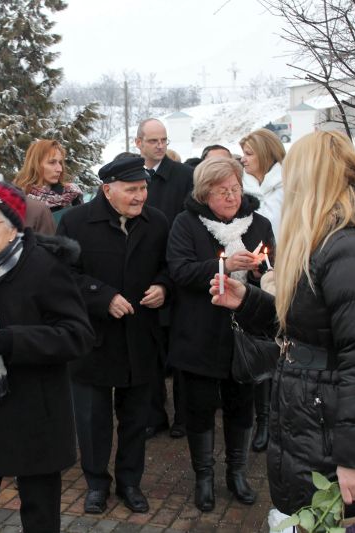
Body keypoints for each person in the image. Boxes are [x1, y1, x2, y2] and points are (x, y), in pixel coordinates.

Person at [210, 131, 355, 518]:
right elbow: (310, 329)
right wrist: (248, 301)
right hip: (319, 423)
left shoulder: (353, 249)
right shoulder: (329, 240)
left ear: (311, 179)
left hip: (333, 431)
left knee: (351, 523)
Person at [0, 182, 94, 533]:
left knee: (39, 516)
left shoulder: (43, 267)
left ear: (13, 228)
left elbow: (78, 335)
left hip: (32, 411)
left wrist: (17, 340)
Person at [57, 157, 171, 514]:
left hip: (140, 337)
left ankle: (130, 482)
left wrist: (163, 287)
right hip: (93, 339)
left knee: (136, 419)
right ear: (107, 189)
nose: (140, 196)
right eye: (131, 189)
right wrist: (102, 296)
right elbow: (62, 275)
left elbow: (170, 266)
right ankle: (96, 484)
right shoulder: (75, 222)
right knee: (93, 420)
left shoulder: (157, 222)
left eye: (143, 188)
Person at [167, 157, 274, 512]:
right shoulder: (186, 223)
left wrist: (259, 273)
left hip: (245, 332)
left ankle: (237, 473)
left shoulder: (259, 224)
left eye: (235, 189)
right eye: (221, 191)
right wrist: (223, 266)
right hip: (199, 330)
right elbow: (180, 271)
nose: (231, 197)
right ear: (204, 193)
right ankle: (203, 477)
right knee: (199, 408)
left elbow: (272, 272)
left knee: (241, 406)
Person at [135, 118, 194, 439]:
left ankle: (184, 417)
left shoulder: (184, 176)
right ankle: (154, 414)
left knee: (180, 348)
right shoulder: (132, 175)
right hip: (145, 273)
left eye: (164, 140)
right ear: (139, 143)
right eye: (153, 141)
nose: (160, 146)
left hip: (179, 271)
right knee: (150, 349)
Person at [239, 127, 286, 453]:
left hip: (285, 274)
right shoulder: (240, 187)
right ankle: (263, 419)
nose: (243, 159)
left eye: (249, 153)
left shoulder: (290, 185)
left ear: (266, 154)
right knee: (259, 346)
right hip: (251, 274)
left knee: (284, 344)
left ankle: (281, 415)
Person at [14, 139, 82, 221]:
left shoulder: (71, 195)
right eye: (52, 162)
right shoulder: (16, 199)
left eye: (60, 163)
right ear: (35, 164)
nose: (59, 169)